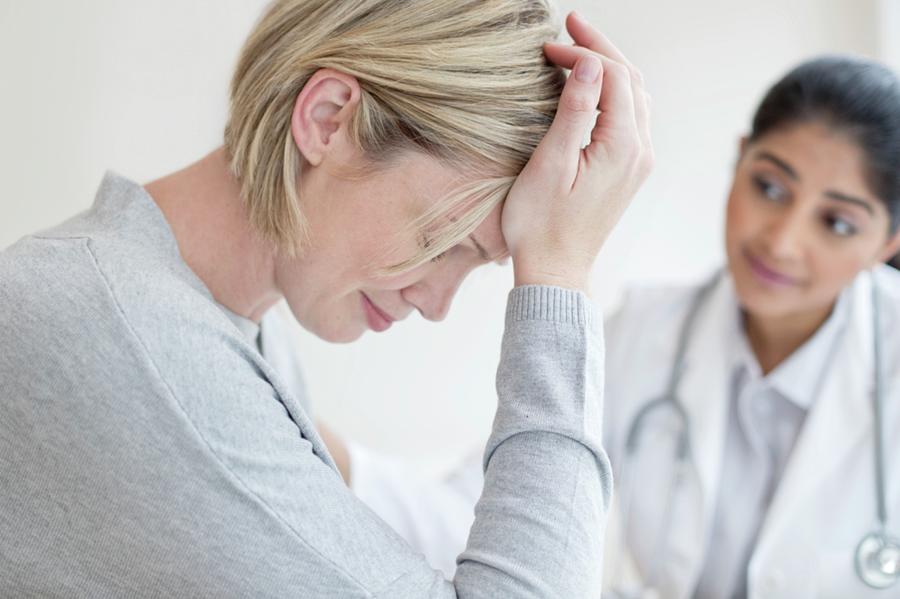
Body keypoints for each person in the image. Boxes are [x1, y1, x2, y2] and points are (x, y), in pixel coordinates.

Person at [0, 1, 653, 597]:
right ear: (327, 118)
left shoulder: (217, 324)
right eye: (443, 239)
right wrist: (560, 272)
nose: (437, 304)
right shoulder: (132, 338)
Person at [326, 55, 900, 598]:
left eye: (838, 223)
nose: (782, 240)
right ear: (741, 158)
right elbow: (493, 517)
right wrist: (332, 455)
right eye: (770, 188)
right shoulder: (650, 333)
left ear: (889, 243)